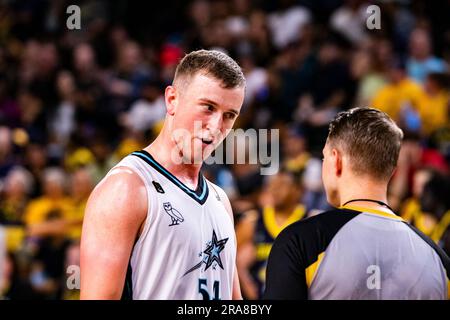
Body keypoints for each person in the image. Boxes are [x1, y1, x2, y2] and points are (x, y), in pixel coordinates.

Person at [80, 50, 246, 300]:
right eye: (208, 107)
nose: (215, 126)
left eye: (229, 115)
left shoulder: (220, 200)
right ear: (172, 99)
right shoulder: (126, 188)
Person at [264, 107, 450, 300]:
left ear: (336, 161)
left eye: (324, 157)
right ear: (392, 171)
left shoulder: (302, 241)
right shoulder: (437, 258)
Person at [236, 171, 306, 299]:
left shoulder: (309, 219)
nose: (275, 190)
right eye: (272, 185)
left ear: (297, 190)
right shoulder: (252, 221)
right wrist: (247, 282)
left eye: (281, 185)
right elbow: (230, 262)